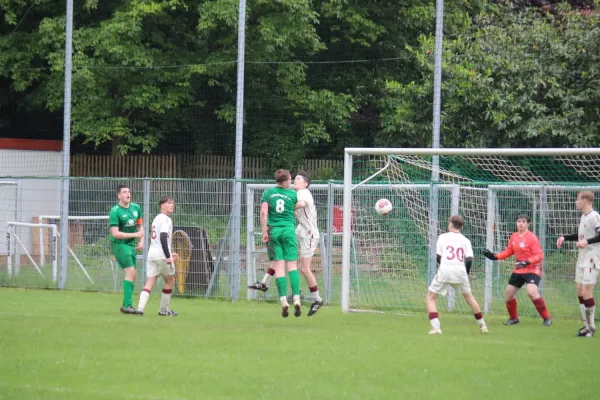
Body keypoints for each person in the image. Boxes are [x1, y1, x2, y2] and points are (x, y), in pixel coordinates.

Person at [248, 172, 324, 316]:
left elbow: (301, 204)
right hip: (299, 230)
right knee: (281, 257)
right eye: (294, 178)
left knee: (304, 269)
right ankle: (264, 282)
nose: (295, 180)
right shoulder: (294, 193)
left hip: (309, 234)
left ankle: (317, 299)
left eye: (299, 179)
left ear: (306, 184)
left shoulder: (304, 192)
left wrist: (285, 208)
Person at [483, 215, 552, 326]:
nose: (520, 223)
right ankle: (514, 318)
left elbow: (539, 255)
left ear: (528, 224)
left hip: (533, 268)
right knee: (509, 294)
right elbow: (509, 251)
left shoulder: (532, 237)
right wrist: (495, 257)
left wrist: (527, 262)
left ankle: (547, 318)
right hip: (519, 269)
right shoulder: (514, 236)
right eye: (519, 221)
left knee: (532, 292)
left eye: (523, 222)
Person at [426, 215, 488, 335]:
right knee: (469, 298)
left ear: (450, 224)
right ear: (462, 227)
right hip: (460, 271)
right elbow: (469, 259)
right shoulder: (465, 240)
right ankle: (483, 325)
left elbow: (438, 256)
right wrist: (467, 274)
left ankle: (436, 328)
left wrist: (444, 266)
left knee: (431, 298)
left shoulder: (442, 237)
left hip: (445, 269)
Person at [253, 169, 301, 317]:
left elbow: (263, 213)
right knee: (292, 266)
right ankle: (297, 299)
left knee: (279, 267)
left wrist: (264, 232)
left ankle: (283, 301)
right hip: (288, 231)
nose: (291, 183)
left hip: (274, 232)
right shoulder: (293, 194)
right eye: (290, 180)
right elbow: (295, 209)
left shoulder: (267, 193)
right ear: (285, 181)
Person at [556, 190, 600, 337]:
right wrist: (565, 237)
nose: (576, 202)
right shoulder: (583, 217)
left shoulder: (595, 216)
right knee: (580, 291)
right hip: (582, 258)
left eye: (578, 199)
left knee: (587, 292)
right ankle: (586, 325)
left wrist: (586, 242)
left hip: (592, 258)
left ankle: (591, 327)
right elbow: (581, 236)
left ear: (585, 201)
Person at [136, 196, 179, 316]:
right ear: (162, 206)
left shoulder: (156, 219)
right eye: (169, 203)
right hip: (162, 255)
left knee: (149, 282)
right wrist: (168, 256)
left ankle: (140, 309)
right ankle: (163, 310)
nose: (172, 205)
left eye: (173, 203)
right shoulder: (166, 219)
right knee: (170, 281)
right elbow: (163, 236)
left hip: (152, 254)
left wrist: (170, 253)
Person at [109, 184, 144, 314]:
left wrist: (141, 240)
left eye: (129, 192)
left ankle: (125, 306)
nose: (127, 194)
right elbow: (115, 233)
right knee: (131, 273)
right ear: (119, 195)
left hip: (131, 245)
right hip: (119, 244)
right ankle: (128, 306)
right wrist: (135, 235)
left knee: (132, 275)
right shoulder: (115, 211)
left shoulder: (136, 208)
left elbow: (140, 226)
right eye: (124, 192)